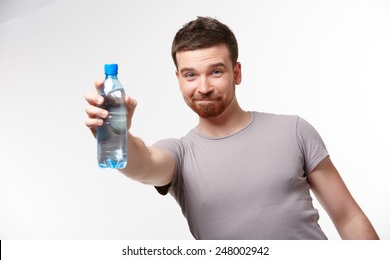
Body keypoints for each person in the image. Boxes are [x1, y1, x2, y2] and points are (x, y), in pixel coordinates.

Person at [84, 16, 379, 240]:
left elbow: (348, 217)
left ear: (236, 73)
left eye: (215, 71)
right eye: (190, 75)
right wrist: (118, 135)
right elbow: (144, 163)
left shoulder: (295, 130)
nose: (203, 87)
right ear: (178, 79)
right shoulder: (180, 154)